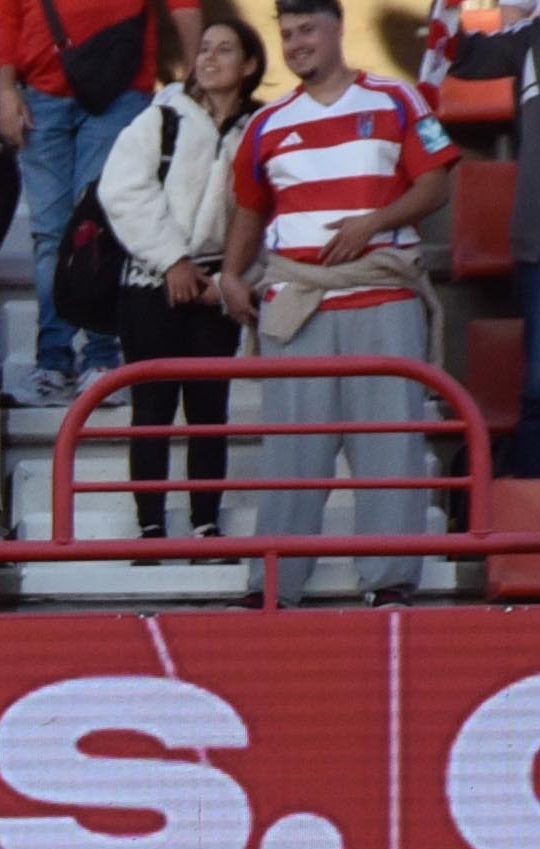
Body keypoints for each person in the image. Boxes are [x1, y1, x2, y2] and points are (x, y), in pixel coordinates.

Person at [217, 0, 450, 606]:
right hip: (298, 299)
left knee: (389, 444)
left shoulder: (398, 99)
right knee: (293, 449)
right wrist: (234, 274)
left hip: (382, 290)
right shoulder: (266, 123)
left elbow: (434, 185)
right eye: (287, 34)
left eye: (307, 31)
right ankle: (275, 583)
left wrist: (373, 222)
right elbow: (249, 206)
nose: (296, 44)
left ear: (337, 28)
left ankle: (391, 581)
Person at [99, 11, 253, 538]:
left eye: (224, 49)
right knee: (153, 409)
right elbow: (122, 191)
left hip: (214, 287)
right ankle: (150, 527)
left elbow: (263, 210)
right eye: (204, 48)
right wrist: (172, 259)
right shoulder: (160, 118)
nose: (209, 57)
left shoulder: (259, 129)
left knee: (210, 410)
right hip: (151, 283)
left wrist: (231, 276)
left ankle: (206, 524)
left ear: (250, 64)